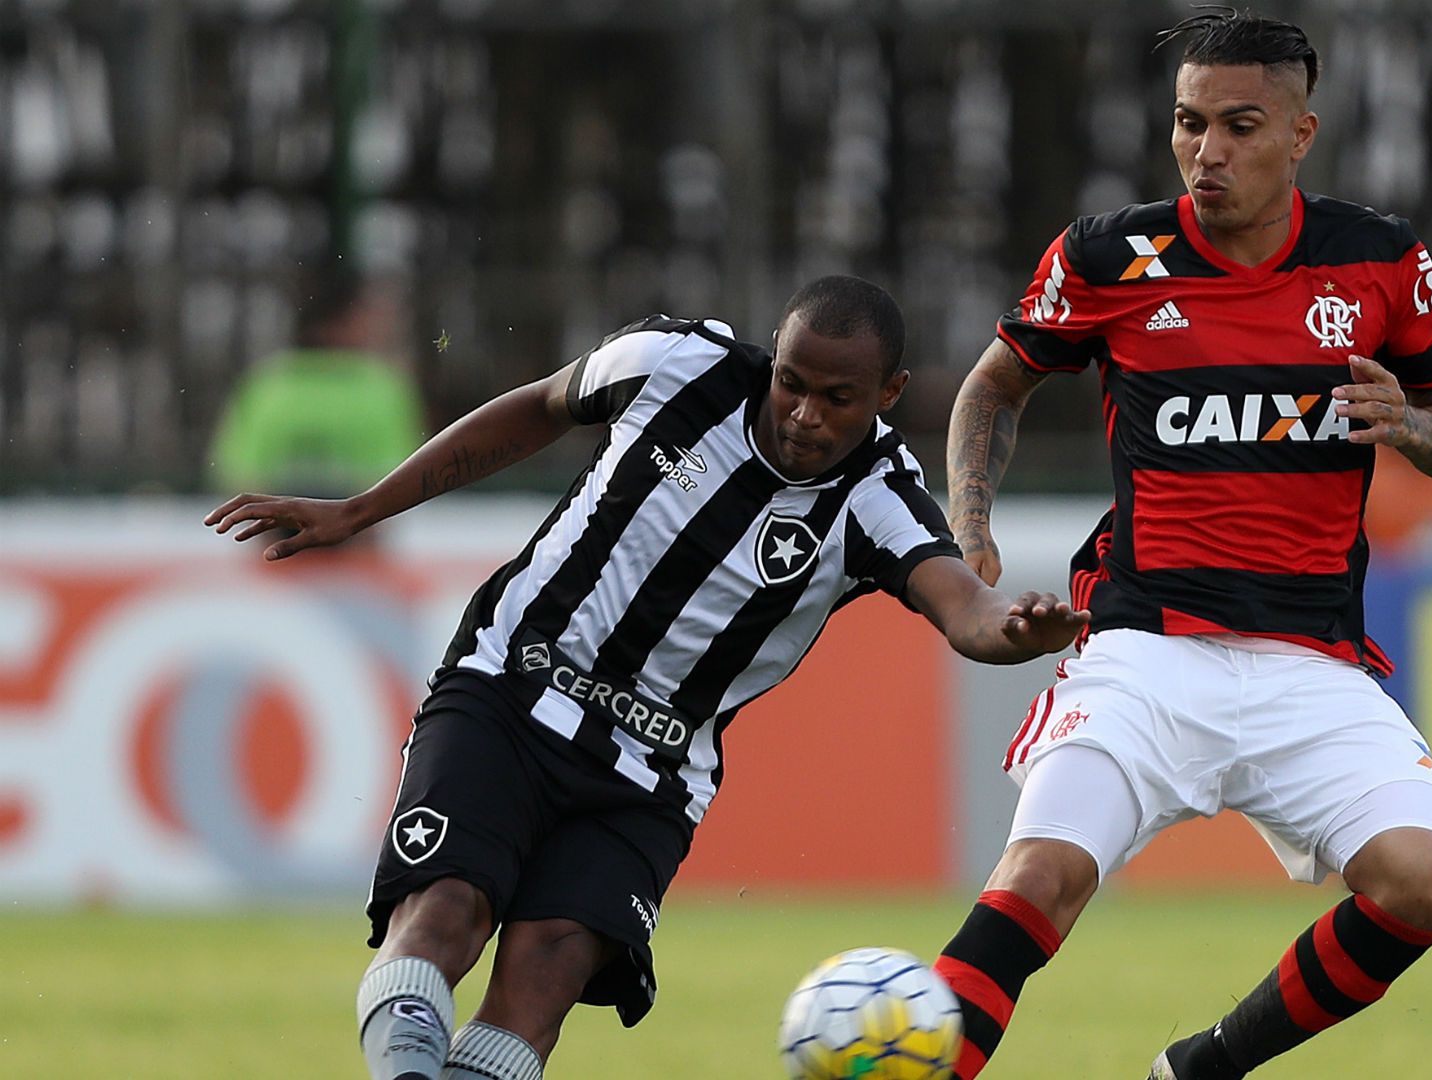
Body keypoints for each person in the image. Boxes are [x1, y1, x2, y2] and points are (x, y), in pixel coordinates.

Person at [206, 275, 1088, 1080]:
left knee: (542, 981)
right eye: (792, 381)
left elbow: (962, 606)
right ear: (772, 355)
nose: (805, 414)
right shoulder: (676, 365)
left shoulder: (880, 497)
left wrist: (1014, 631)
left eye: (838, 398)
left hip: (649, 773)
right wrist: (361, 508)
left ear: (888, 396)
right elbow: (540, 407)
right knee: (443, 916)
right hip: (510, 690)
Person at [929, 10, 1432, 1080]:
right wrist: (972, 526)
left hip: (1311, 661)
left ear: (1301, 134)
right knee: (1038, 877)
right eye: (1189, 125)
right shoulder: (1109, 255)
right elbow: (996, 384)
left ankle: (1203, 1069)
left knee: (1427, 882)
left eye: (1239, 126)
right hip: (1146, 645)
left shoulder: (1377, 260)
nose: (1206, 153)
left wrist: (1411, 426)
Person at [208, 274, 426, 499]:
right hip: (358, 512)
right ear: (334, 324)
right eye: (364, 320)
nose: (376, 328)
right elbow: (405, 472)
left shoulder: (266, 383)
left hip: (277, 511)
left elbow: (238, 471)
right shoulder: (382, 388)